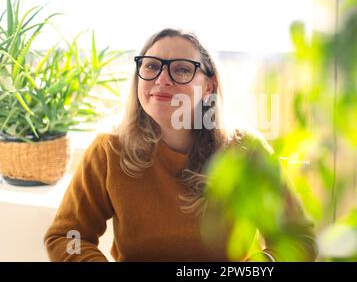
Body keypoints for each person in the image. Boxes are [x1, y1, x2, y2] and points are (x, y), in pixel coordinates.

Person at [44, 28, 317, 261]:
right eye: (151, 66)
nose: (162, 79)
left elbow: (299, 240)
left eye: (182, 69)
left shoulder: (247, 152)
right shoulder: (108, 150)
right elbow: (67, 236)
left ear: (209, 86)